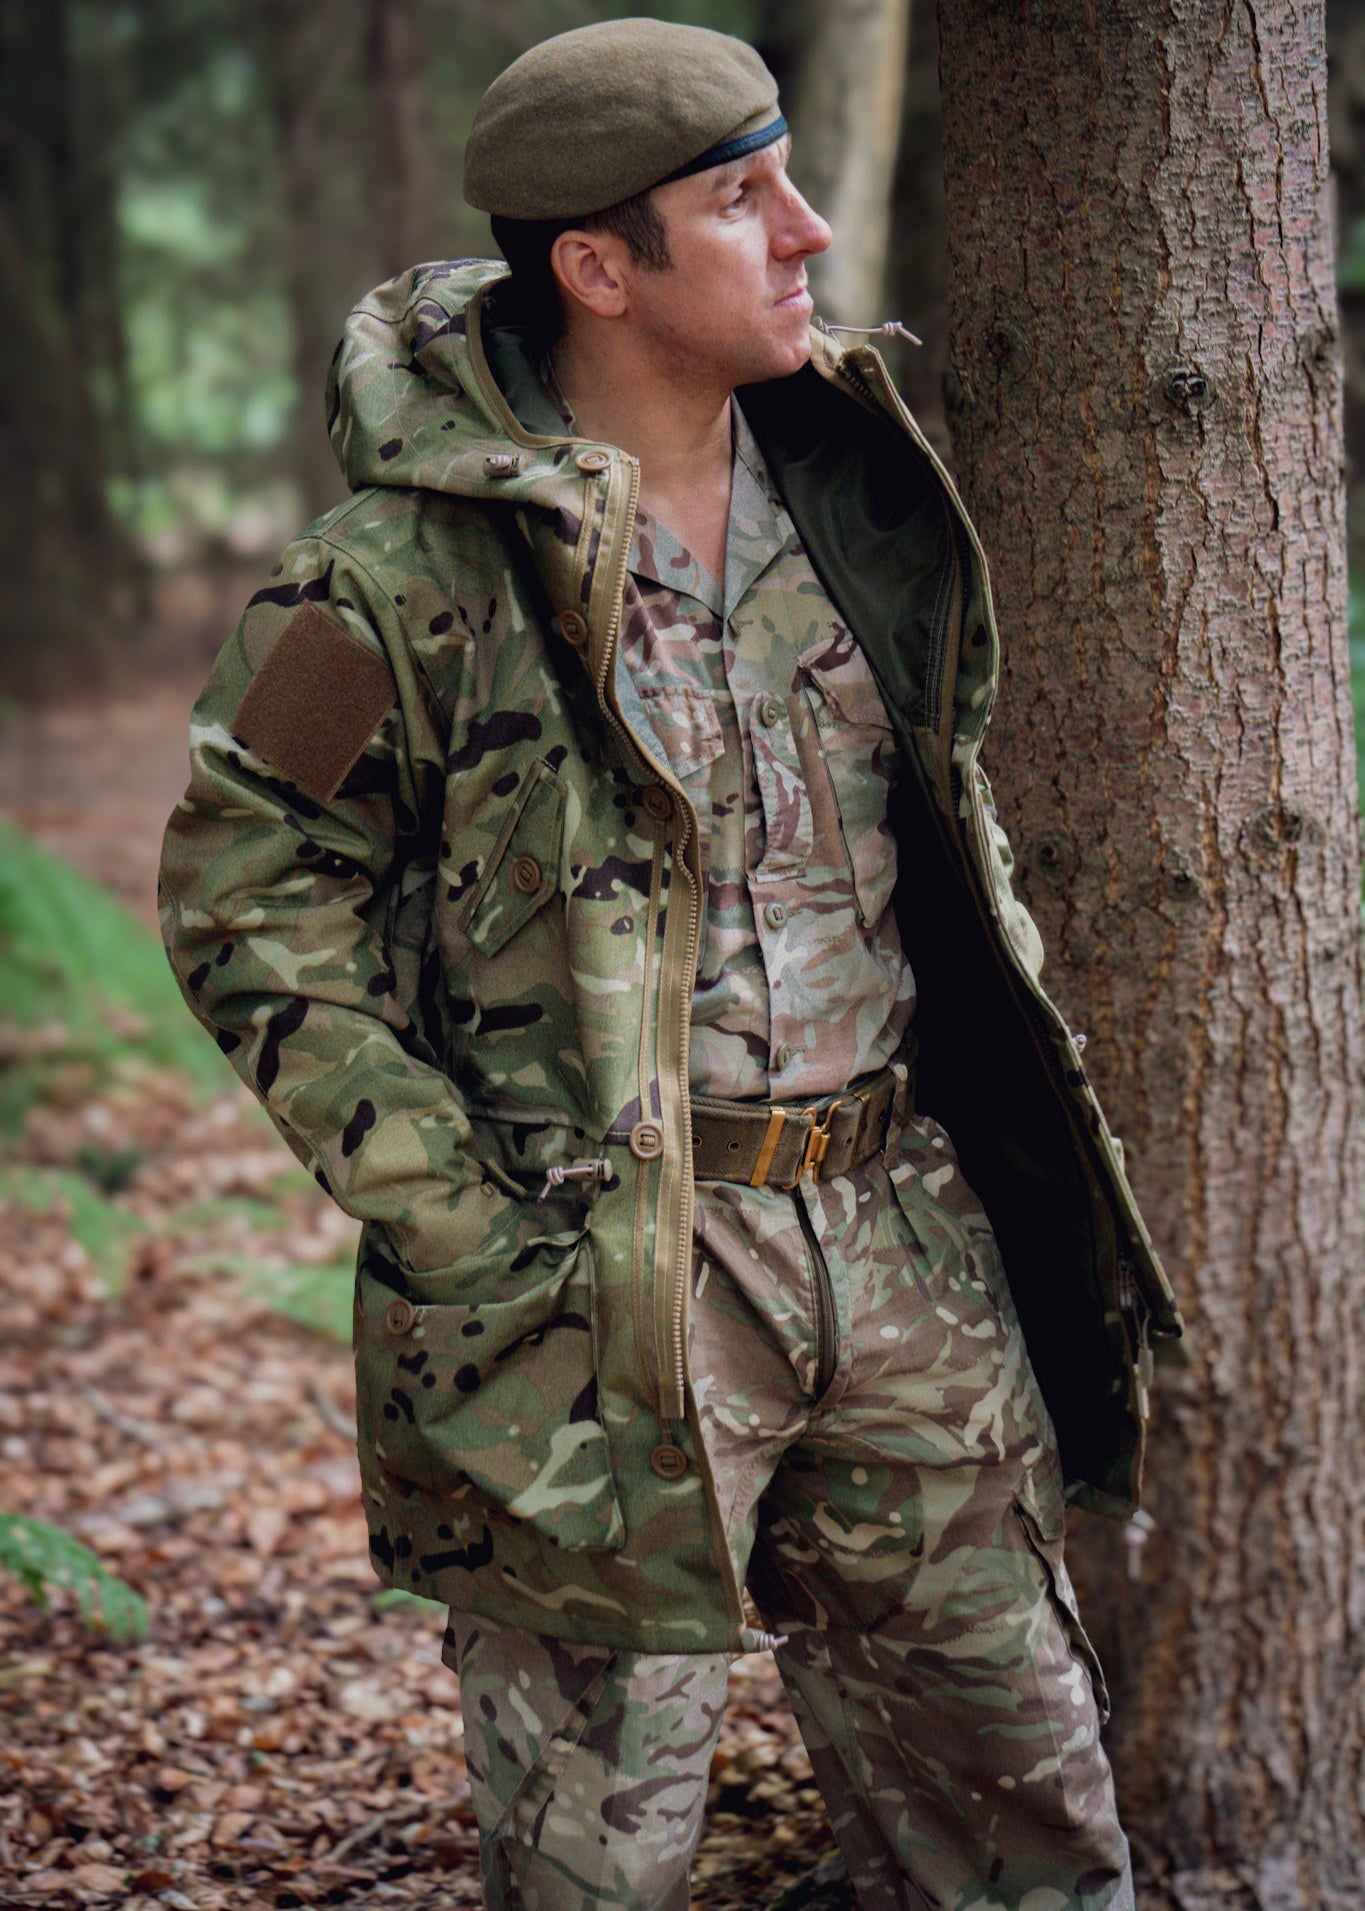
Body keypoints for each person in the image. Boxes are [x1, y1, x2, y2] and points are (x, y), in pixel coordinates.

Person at [159, 18, 1182, 1909]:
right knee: (597, 1865)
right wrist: (461, 1222)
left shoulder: (868, 501)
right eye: (741, 199)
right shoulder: (393, 578)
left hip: (899, 1259)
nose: (804, 233)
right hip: (604, 1300)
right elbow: (243, 894)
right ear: (598, 267)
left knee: (1026, 1834)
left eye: (792, 180)